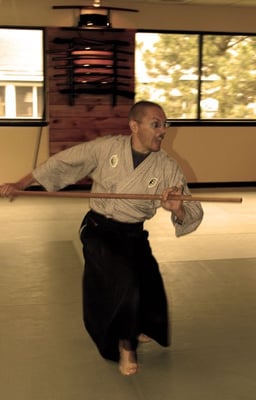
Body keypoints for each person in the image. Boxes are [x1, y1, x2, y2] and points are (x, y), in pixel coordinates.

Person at [0, 100, 203, 376]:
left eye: (164, 124)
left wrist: (177, 208)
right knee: (124, 281)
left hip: (133, 233)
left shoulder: (167, 167)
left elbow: (190, 208)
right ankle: (124, 343)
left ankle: (140, 324)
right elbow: (64, 160)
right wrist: (21, 184)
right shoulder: (107, 147)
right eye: (156, 124)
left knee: (149, 281)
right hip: (99, 229)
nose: (162, 130)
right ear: (134, 126)